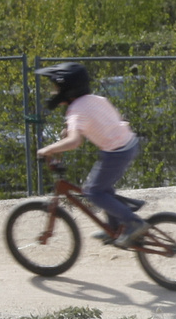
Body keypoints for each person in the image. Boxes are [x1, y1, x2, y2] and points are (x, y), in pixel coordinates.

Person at [34, 62, 147, 247]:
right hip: (128, 144)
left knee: (92, 191)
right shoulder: (95, 99)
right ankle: (114, 227)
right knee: (104, 190)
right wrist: (69, 131)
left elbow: (75, 141)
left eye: (56, 88)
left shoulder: (76, 111)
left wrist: (48, 149)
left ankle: (134, 222)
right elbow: (106, 118)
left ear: (66, 89)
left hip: (117, 151)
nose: (53, 92)